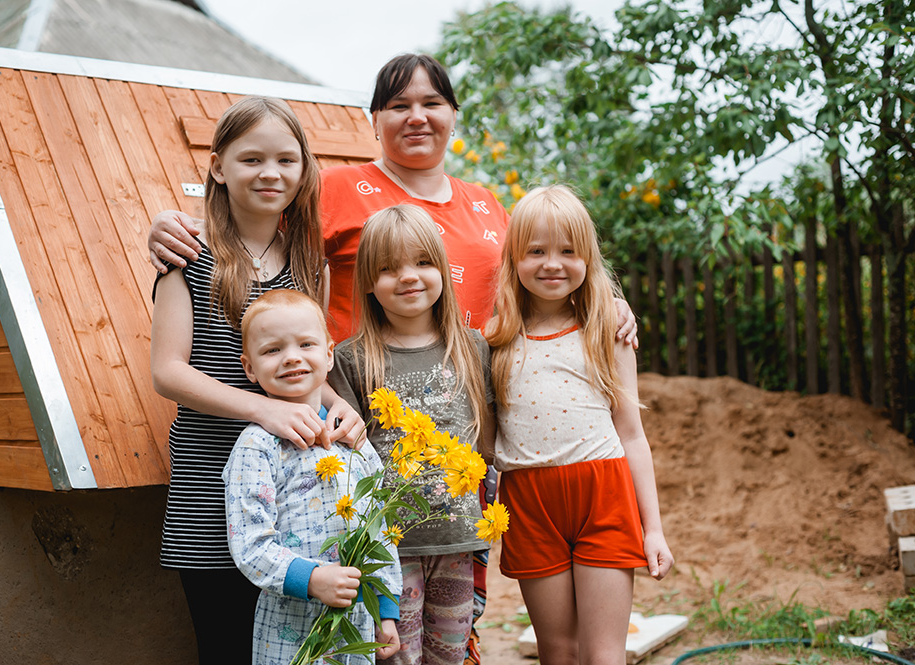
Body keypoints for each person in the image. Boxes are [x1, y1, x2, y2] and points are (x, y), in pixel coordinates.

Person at [146, 54, 637, 664]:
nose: (417, 117)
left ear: (454, 114)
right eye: (399, 105)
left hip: (387, 467)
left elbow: (547, 263)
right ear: (372, 118)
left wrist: (608, 299)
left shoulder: (483, 207)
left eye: (432, 103)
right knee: (266, 637)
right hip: (320, 452)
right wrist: (170, 220)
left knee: (413, 635)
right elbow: (239, 228)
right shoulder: (332, 200)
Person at [149, 95, 365, 664]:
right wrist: (261, 409)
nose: (271, 173)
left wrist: (336, 403)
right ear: (219, 167)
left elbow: (306, 370)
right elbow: (168, 372)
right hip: (209, 490)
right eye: (251, 160)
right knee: (224, 647)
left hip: (292, 503)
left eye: (286, 160)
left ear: (303, 170)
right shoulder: (187, 255)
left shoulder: (307, 261)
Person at [484, 185, 674, 665]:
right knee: (558, 650)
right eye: (537, 251)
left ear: (588, 257)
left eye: (568, 251)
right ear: (513, 258)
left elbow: (632, 432)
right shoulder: (495, 336)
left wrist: (653, 529)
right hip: (529, 501)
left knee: (604, 654)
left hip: (603, 492)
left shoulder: (607, 326)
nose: (553, 263)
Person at [327, 206, 493, 665]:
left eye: (423, 262)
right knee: (395, 655)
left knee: (450, 653)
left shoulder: (472, 347)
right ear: (366, 282)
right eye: (387, 268)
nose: (408, 277)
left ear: (443, 269)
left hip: (458, 540)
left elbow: (490, 441)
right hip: (389, 547)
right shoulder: (352, 359)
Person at [223, 289, 402, 663]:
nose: (292, 357)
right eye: (272, 350)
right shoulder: (258, 445)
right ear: (249, 368)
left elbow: (380, 530)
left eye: (306, 343)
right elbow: (250, 545)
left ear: (329, 354)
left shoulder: (352, 440)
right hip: (289, 625)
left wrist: (385, 611)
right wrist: (311, 579)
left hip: (357, 620)